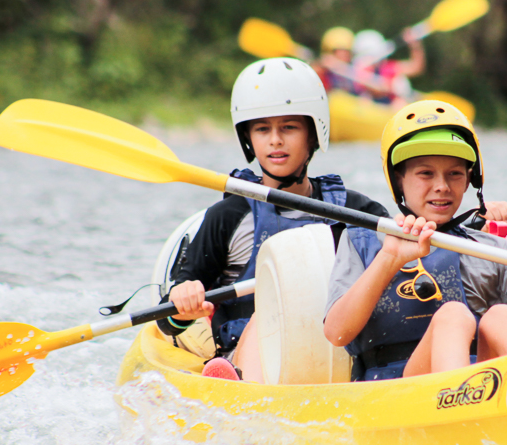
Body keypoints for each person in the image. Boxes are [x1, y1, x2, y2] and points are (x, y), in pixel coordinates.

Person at [323, 100, 507, 381]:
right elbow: (336, 333)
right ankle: (456, 401)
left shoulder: (489, 250)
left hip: (480, 388)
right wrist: (389, 260)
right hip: (395, 390)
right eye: (425, 173)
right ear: (399, 180)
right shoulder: (363, 242)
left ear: (470, 179)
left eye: (455, 174)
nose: (442, 186)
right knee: (453, 316)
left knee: (502, 316)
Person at [160, 57, 388, 381]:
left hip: (336, 358)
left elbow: (412, 249)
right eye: (263, 129)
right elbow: (167, 320)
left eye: (289, 127)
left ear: (313, 134)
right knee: (265, 317)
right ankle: (230, 383)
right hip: (250, 366)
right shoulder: (228, 217)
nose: (275, 140)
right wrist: (183, 301)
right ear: (248, 138)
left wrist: (478, 221)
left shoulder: (355, 212)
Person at [351, 29, 426, 107]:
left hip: (389, 108)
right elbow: (375, 87)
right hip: (372, 108)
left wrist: (415, 46)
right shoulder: (358, 69)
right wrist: (390, 85)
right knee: (364, 100)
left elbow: (416, 68)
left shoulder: (386, 67)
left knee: (399, 103)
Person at [314, 26, 361, 95]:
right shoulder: (322, 69)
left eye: (347, 52)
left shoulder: (353, 70)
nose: (344, 55)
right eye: (340, 51)